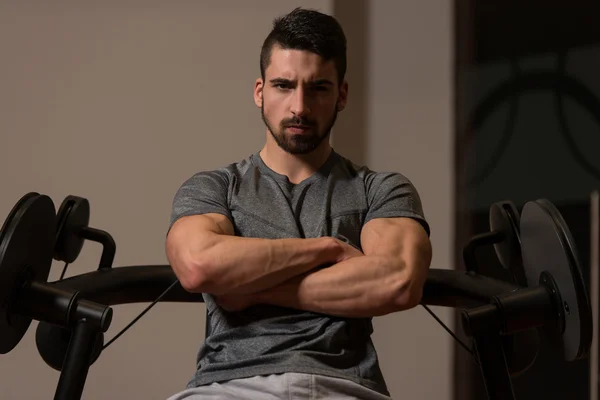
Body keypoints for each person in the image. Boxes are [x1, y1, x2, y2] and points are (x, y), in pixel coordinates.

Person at [165, 7, 432, 400]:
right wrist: (328, 249)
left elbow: (398, 281)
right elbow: (199, 264)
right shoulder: (214, 188)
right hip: (227, 388)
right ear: (260, 91)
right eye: (284, 85)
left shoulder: (381, 190)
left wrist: (249, 288)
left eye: (319, 88)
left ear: (341, 94)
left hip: (344, 387)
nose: (300, 107)